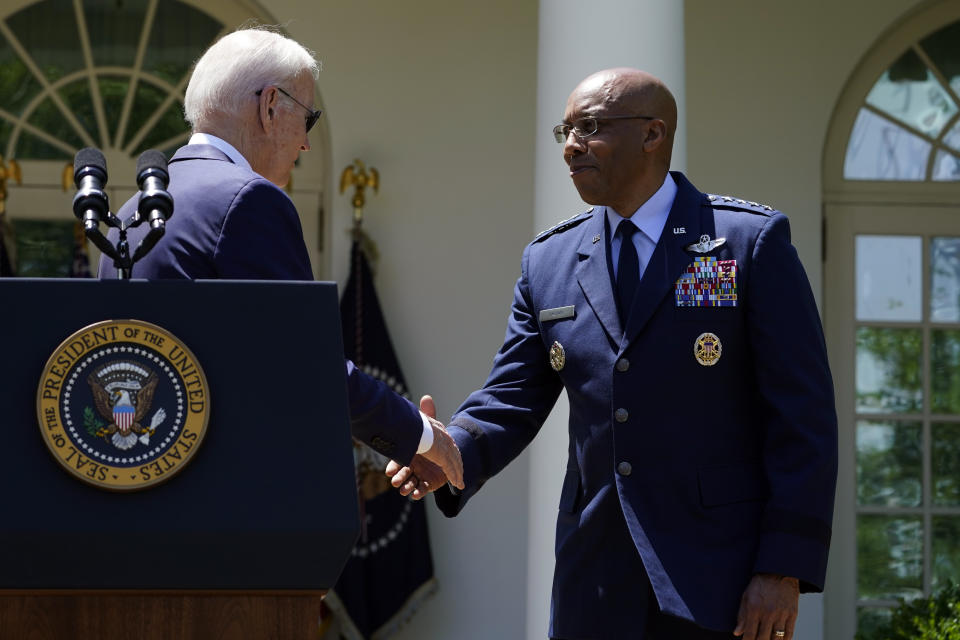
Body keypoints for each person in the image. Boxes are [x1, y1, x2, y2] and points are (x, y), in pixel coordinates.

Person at [388, 68, 837, 640]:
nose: (571, 146)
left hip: (718, 576)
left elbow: (803, 418)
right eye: (565, 131)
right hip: (594, 578)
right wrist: (450, 450)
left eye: (591, 127)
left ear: (653, 135)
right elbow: (513, 395)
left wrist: (783, 567)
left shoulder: (747, 242)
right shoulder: (549, 260)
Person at [96, 27, 462, 491]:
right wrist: (421, 436)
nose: (306, 145)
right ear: (270, 106)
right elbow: (304, 360)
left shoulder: (130, 212)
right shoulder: (248, 199)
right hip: (229, 499)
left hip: (137, 479)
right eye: (308, 120)